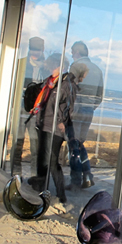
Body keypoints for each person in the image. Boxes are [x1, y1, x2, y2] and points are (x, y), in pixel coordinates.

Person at [30, 54, 85, 204]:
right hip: (43, 124)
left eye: (53, 66)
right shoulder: (51, 82)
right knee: (42, 158)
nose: (51, 69)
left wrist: (61, 122)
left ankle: (61, 195)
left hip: (55, 128)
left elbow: (68, 106)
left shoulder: (67, 84)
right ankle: (39, 187)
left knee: (53, 161)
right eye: (50, 66)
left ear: (61, 67)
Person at [67, 41, 104, 190]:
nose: (71, 55)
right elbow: (99, 96)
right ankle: (88, 176)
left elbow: (69, 90)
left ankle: (76, 179)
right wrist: (90, 108)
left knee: (73, 145)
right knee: (79, 143)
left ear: (76, 53)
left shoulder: (76, 67)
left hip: (76, 109)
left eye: (72, 52)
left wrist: (69, 109)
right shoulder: (98, 70)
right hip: (88, 111)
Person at [11, 36, 46, 177]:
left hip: (37, 112)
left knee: (35, 146)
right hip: (21, 108)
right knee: (17, 142)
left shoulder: (47, 67)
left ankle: (34, 176)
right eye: (33, 49)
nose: (35, 53)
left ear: (43, 50)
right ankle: (15, 173)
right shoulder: (21, 64)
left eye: (38, 50)